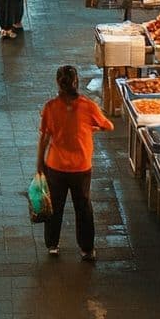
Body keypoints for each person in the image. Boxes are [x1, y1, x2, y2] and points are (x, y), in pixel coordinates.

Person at [37, 65, 113, 261]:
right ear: (76, 82)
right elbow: (108, 125)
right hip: (81, 167)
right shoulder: (88, 106)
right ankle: (87, 249)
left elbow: (44, 138)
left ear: (58, 83)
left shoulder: (50, 107)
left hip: (55, 166)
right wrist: (93, 128)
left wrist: (39, 164)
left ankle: (52, 244)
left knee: (55, 207)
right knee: (84, 208)